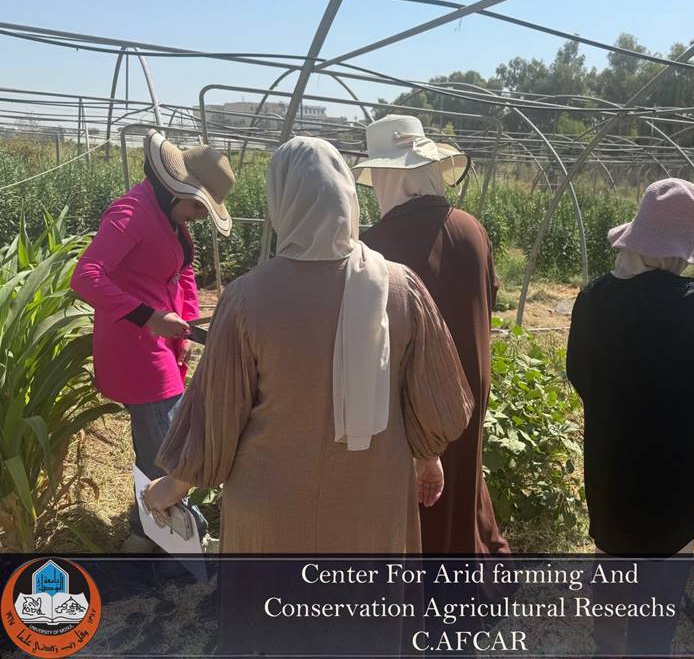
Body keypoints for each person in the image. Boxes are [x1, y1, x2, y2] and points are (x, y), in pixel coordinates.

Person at [143, 136, 473, 554]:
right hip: (372, 506)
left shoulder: (248, 298)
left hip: (272, 514)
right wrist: (428, 457)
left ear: (280, 200)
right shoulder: (401, 287)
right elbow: (434, 395)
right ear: (348, 196)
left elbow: (217, 412)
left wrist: (173, 486)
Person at [566, 178, 694, 657]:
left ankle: (608, 645)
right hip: (671, 465)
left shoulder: (594, 295)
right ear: (679, 251)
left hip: (610, 456)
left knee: (612, 548)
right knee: (664, 566)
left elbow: (577, 371)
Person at [71, 129, 235, 552]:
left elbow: (182, 269)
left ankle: (143, 534)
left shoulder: (169, 217)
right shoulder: (132, 212)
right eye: (198, 206)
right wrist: (148, 317)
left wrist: (187, 316)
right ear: (177, 188)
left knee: (157, 443)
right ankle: (184, 541)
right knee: (168, 450)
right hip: (137, 348)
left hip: (163, 343)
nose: (199, 215)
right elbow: (85, 276)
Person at [358, 114, 510, 555]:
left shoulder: (373, 246)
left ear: (386, 176)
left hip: (412, 391)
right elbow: (487, 300)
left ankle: (426, 580)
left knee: (420, 494)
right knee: (462, 478)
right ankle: (466, 567)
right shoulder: (471, 228)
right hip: (471, 378)